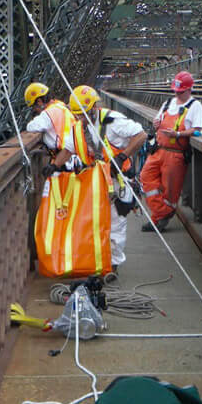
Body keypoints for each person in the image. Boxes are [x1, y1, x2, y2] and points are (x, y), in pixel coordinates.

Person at [52, 85, 146, 272]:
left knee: (116, 223)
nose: (81, 118)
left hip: (117, 181)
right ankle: (98, 260)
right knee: (94, 222)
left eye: (84, 113)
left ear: (94, 107)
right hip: (95, 183)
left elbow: (141, 135)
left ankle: (113, 263)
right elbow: (68, 150)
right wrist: (54, 166)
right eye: (78, 115)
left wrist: (124, 155)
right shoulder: (78, 128)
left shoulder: (112, 121)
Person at [139, 71, 202, 231]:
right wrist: (155, 124)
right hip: (159, 150)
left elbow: (198, 129)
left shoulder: (195, 106)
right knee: (145, 176)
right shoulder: (168, 103)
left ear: (189, 90)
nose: (177, 93)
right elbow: (159, 119)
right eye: (175, 90)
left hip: (176, 154)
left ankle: (158, 220)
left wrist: (179, 134)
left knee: (170, 190)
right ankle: (164, 212)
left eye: (180, 91)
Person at [24, 82, 76, 170]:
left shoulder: (49, 113)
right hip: (71, 155)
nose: (35, 110)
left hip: (64, 157)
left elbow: (30, 127)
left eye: (34, 106)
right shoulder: (61, 105)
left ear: (39, 102)